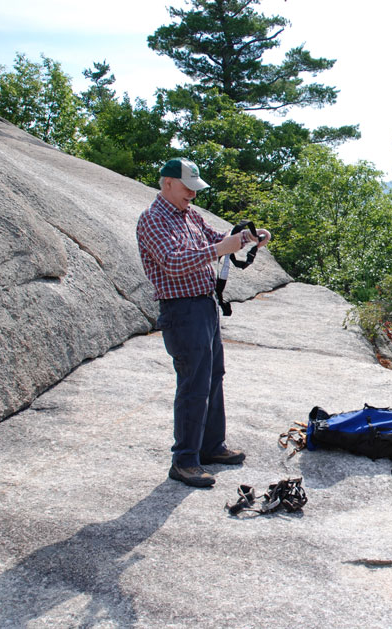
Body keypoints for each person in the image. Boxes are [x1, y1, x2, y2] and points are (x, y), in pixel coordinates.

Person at [136, 158, 271, 488]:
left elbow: (218, 237)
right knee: (193, 383)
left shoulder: (188, 215)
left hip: (204, 306)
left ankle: (211, 448)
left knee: (213, 376)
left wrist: (247, 237)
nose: (193, 196)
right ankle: (184, 461)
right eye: (188, 188)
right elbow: (173, 262)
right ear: (167, 183)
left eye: (195, 190)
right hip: (181, 312)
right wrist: (221, 247)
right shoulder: (153, 220)